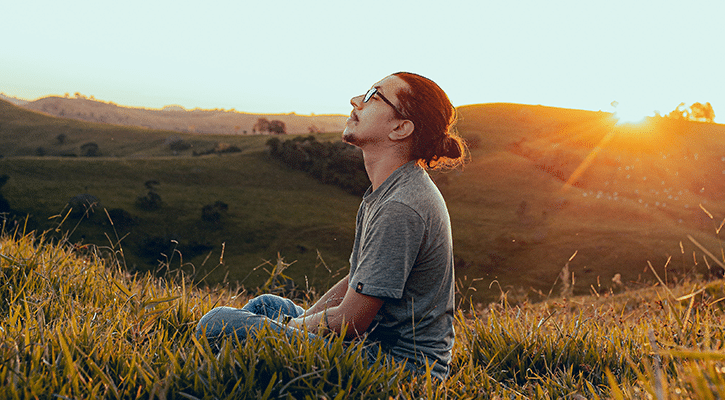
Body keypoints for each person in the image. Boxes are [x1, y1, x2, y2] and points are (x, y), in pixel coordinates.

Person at [196, 72, 466, 381]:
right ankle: (235, 369)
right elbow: (358, 280)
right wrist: (298, 324)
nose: (355, 101)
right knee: (266, 305)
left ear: (400, 128)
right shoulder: (394, 189)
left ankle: (228, 373)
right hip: (375, 347)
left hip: (401, 369)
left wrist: (291, 329)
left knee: (216, 322)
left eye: (373, 96)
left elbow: (351, 321)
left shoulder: (400, 206)